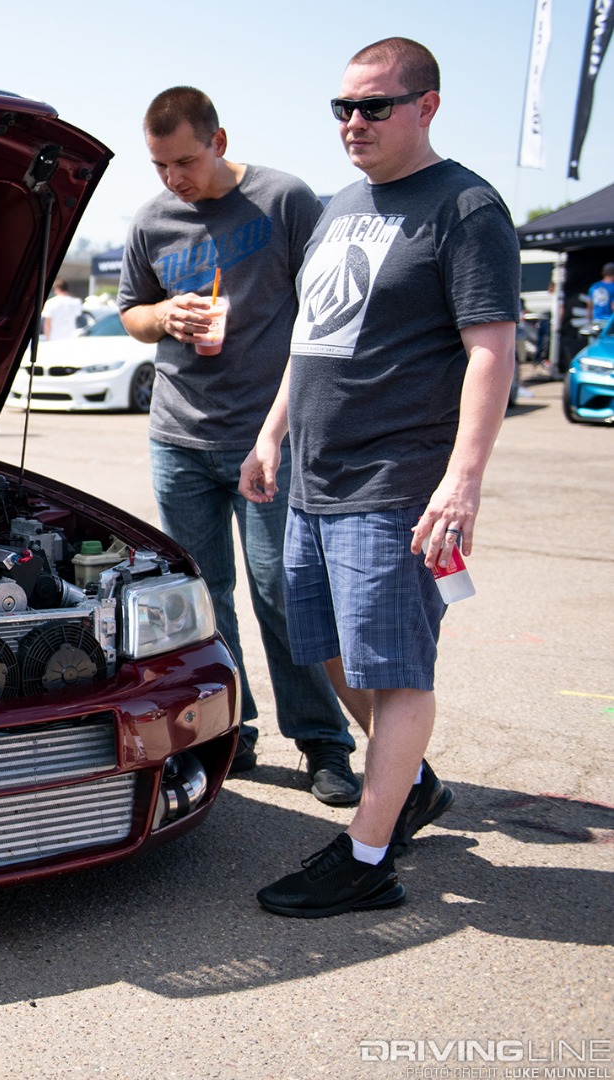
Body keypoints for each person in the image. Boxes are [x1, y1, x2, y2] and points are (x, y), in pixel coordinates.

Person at [239, 38, 518, 918]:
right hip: (314, 480)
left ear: (425, 107)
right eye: (343, 108)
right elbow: (312, 338)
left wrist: (462, 481)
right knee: (325, 647)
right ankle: (415, 787)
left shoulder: (465, 207)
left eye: (374, 106)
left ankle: (367, 857)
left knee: (397, 673)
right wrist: (271, 433)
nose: (353, 122)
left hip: (398, 481)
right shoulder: (340, 208)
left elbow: (491, 350)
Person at [117, 86, 360, 805]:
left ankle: (323, 741)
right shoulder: (151, 220)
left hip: (267, 439)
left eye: (186, 162)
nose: (174, 179)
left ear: (219, 142)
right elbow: (130, 313)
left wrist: (288, 427)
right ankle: (233, 728)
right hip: (178, 437)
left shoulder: (285, 200)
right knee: (204, 596)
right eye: (160, 166)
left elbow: (323, 311)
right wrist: (165, 315)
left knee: (284, 590)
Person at [585, 263, 614, 330]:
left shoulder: (594, 286)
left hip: (596, 321)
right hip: (609, 323)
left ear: (603, 273)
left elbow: (589, 306)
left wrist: (589, 322)